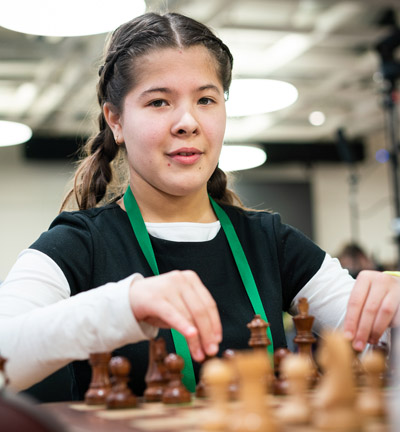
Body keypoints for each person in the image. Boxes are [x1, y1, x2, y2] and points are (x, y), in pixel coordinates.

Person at [0, 12, 399, 401]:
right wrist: (124, 305)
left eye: (206, 99)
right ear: (116, 121)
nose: (187, 121)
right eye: (159, 102)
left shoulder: (271, 242)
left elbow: (379, 347)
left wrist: (390, 310)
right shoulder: (79, 243)